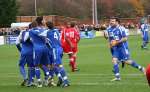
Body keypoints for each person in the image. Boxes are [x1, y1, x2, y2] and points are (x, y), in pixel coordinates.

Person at [105, 17, 145, 81]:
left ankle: (141, 68)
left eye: (113, 21)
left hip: (122, 47)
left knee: (127, 61)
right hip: (115, 48)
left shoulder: (121, 28)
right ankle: (117, 77)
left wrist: (116, 42)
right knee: (114, 60)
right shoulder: (109, 29)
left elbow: (125, 38)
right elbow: (110, 38)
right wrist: (109, 42)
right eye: (110, 21)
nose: (111, 22)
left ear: (117, 22)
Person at [46, 21, 70, 87]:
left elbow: (45, 40)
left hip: (55, 50)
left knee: (59, 65)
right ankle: (56, 79)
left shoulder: (47, 32)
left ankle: (66, 81)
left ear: (47, 26)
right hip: (60, 48)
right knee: (54, 65)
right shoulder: (56, 31)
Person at [29, 18, 50, 87]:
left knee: (36, 66)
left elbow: (31, 40)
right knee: (44, 64)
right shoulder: (42, 29)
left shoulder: (31, 31)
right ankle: (47, 76)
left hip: (37, 49)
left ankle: (39, 82)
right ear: (37, 24)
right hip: (45, 48)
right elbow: (46, 38)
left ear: (32, 26)